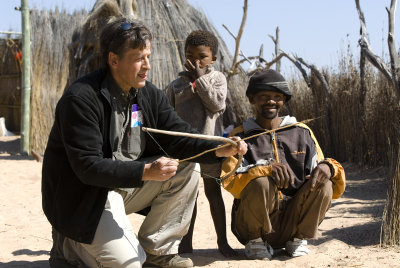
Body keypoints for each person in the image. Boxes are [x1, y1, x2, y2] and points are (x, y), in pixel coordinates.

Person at [41, 17, 247, 268]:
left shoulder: (147, 94)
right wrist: (146, 171)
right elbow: (87, 166)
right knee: (128, 264)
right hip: (86, 197)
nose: (147, 66)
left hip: (122, 188)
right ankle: (68, 245)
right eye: (139, 57)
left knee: (187, 168)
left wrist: (218, 148)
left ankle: (158, 253)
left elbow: (179, 137)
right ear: (113, 60)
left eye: (148, 56)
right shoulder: (81, 99)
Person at [220, 69, 346, 260]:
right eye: (263, 96)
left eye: (277, 96)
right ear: (252, 99)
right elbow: (230, 182)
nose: (271, 101)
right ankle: (256, 243)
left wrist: (329, 167)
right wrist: (265, 171)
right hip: (253, 227)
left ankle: (298, 239)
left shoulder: (301, 132)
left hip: (293, 223)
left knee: (326, 182)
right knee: (261, 182)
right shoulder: (241, 137)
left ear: (284, 100)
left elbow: (330, 181)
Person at [165, 30, 236, 257]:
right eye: (190, 55)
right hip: (185, 151)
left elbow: (216, 105)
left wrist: (200, 80)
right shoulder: (176, 85)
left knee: (213, 194)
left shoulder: (217, 80)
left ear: (213, 58)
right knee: (189, 198)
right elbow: (167, 115)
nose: (195, 61)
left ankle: (222, 242)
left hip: (211, 149)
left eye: (202, 56)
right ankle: (186, 243)